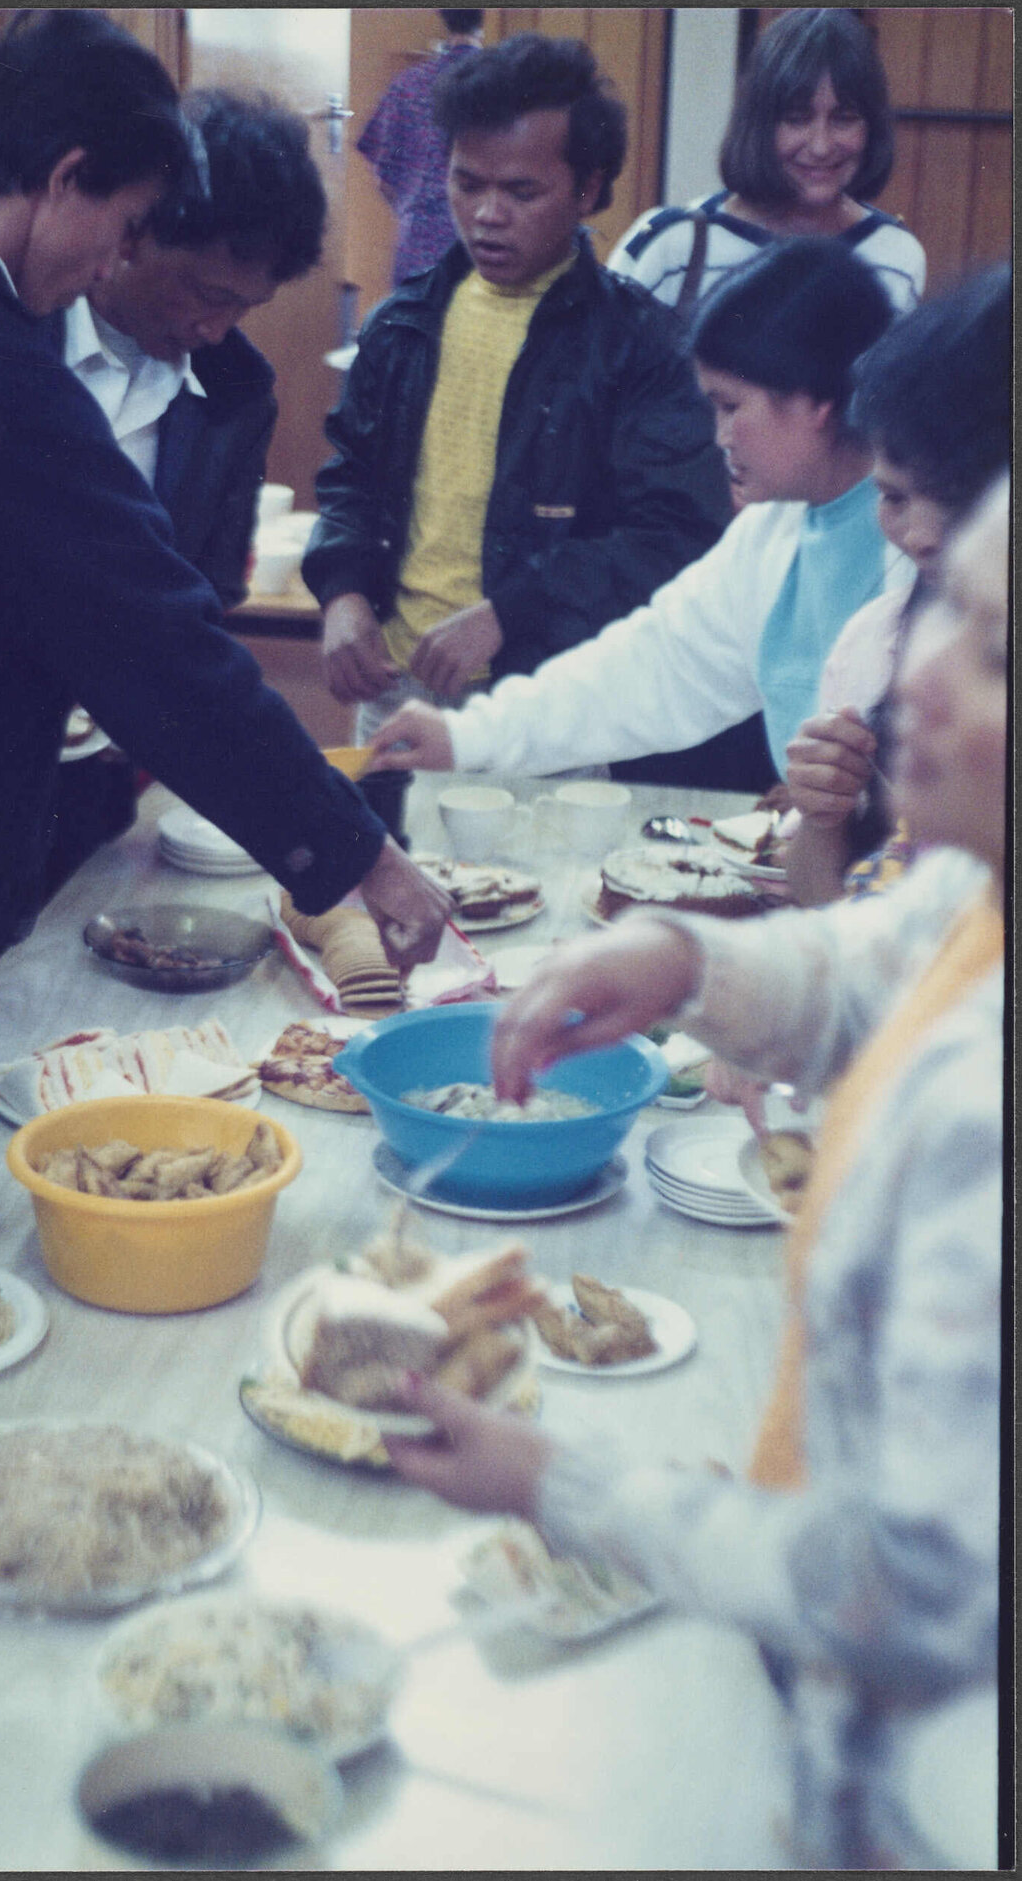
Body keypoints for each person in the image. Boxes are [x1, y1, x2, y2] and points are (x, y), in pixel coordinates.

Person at [388, 474, 1008, 1873]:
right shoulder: (980, 889)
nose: (914, 668)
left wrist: (569, 1487)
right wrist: (682, 960)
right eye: (940, 607)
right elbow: (867, 956)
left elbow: (902, 1588)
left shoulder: (986, 1116)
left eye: (988, 642)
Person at [0, 11, 448, 980]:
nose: (110, 264)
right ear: (63, 179)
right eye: (126, 227)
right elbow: (152, 629)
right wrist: (361, 859)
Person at [303, 33, 731, 753]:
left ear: (589, 188)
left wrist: (512, 610)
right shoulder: (402, 323)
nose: (485, 214)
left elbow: (671, 535)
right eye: (466, 183)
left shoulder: (638, 345)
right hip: (396, 690)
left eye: (520, 191)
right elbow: (350, 476)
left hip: (548, 702)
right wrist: (343, 591)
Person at [369, 237, 899, 792]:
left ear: (815, 401)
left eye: (730, 407)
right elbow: (648, 667)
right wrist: (468, 737)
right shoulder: (770, 537)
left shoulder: (928, 537)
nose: (719, 437)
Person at [44, 87, 329, 896]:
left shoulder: (236, 395)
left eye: (244, 307)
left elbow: (205, 597)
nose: (216, 328)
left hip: (102, 767)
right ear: (134, 232)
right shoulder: (20, 342)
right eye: (206, 294)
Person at [781, 263, 1010, 907]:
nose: (925, 534)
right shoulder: (879, 640)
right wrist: (824, 815)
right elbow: (844, 934)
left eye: (963, 500)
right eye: (895, 496)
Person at [609, 8, 925, 318]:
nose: (820, 146)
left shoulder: (896, 255)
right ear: (758, 124)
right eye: (797, 119)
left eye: (844, 119)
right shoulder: (671, 245)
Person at [357, 8, 485, 286]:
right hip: (487, 257)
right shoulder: (512, 88)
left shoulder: (407, 85)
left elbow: (385, 181)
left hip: (417, 256)